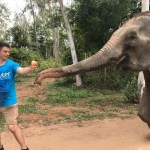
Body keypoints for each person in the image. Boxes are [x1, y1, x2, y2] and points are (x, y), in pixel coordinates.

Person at [0, 42, 38, 150]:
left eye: (8, 52)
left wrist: (30, 68)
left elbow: (21, 70)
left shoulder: (11, 64)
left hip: (9, 103)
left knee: (12, 127)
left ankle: (24, 147)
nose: (7, 54)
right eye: (5, 51)